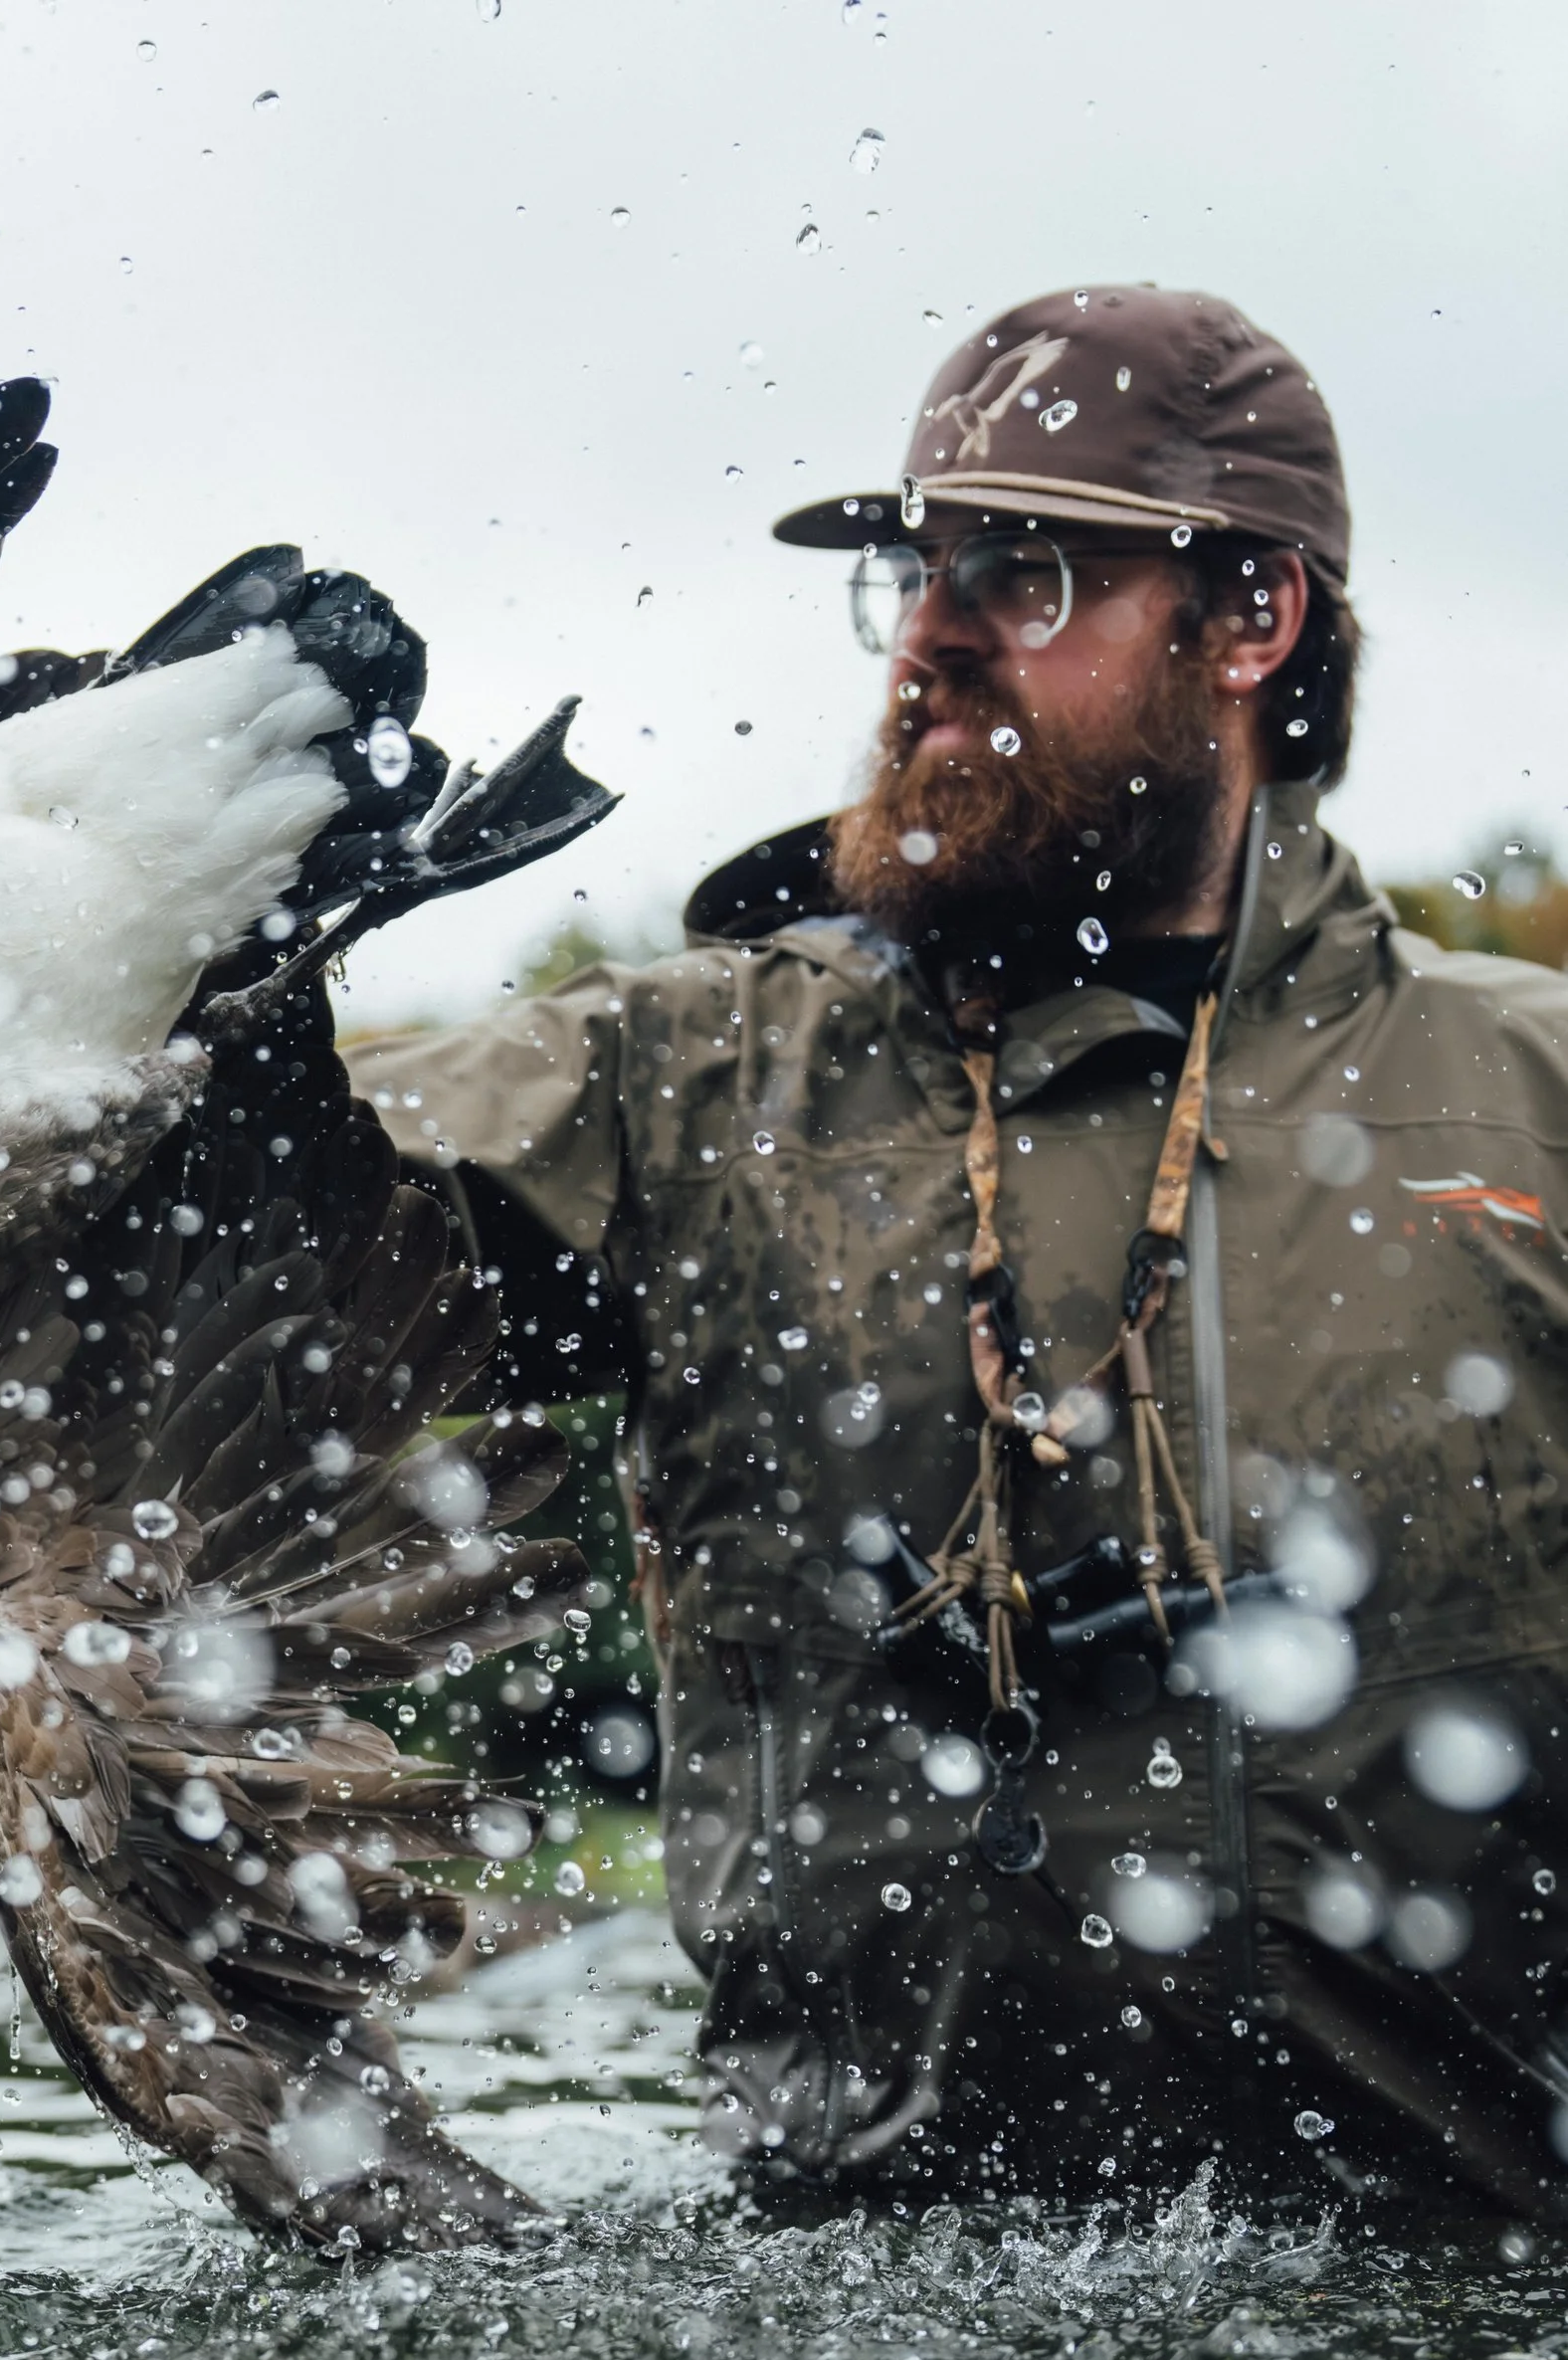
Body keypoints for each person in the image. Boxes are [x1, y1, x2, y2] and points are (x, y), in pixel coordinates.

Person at [343, 286, 1568, 2216]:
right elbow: (156, 1198)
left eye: (1021, 572)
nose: (927, 633)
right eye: (914, 574)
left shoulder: (1524, 1098)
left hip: (1469, 2332)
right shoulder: (691, 1085)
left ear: (1249, 621)